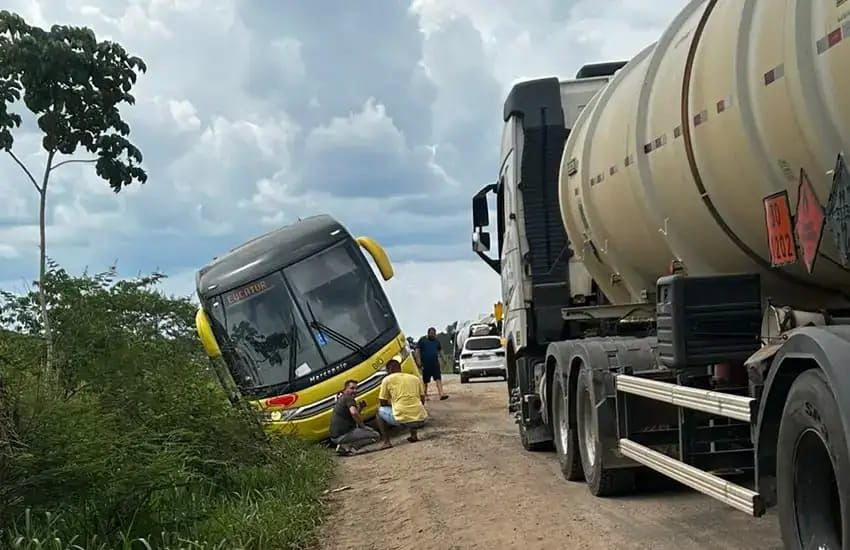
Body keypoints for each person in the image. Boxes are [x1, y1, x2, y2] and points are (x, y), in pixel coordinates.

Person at [376, 356, 428, 449]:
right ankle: (414, 436)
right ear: (400, 368)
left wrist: (393, 404)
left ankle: (387, 442)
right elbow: (422, 399)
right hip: (421, 419)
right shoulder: (414, 378)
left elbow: (382, 402)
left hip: (402, 421)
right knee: (412, 405)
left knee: (379, 412)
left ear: (389, 370)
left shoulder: (387, 380)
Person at [328, 379, 380, 455]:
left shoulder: (342, 399)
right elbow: (354, 413)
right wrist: (363, 426)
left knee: (360, 430)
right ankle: (347, 447)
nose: (355, 390)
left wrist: (360, 408)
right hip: (343, 435)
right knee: (376, 436)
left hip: (334, 436)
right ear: (345, 390)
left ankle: (345, 446)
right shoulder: (349, 398)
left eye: (356, 388)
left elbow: (352, 415)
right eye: (352, 388)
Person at [415, 327, 448, 400]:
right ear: (428, 333)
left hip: (435, 363)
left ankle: (441, 394)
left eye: (434, 334)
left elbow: (440, 351)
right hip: (425, 364)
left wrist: (444, 360)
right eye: (432, 334)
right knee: (425, 381)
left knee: (438, 378)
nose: (433, 335)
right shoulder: (422, 340)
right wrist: (418, 361)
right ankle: (424, 395)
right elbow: (417, 350)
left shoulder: (436, 341)